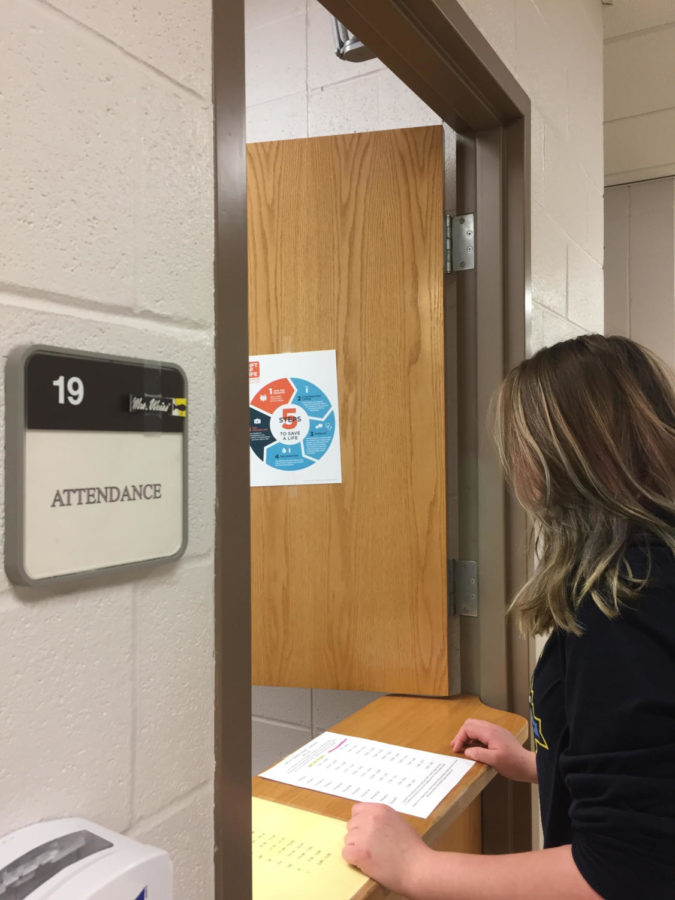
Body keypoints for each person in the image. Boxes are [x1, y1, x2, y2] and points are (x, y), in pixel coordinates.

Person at [343, 334, 675, 899]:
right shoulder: (647, 570)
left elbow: (627, 872)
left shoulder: (625, 601)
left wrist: (415, 867)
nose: (512, 465)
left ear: (566, 455)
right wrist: (540, 762)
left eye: (520, 446)